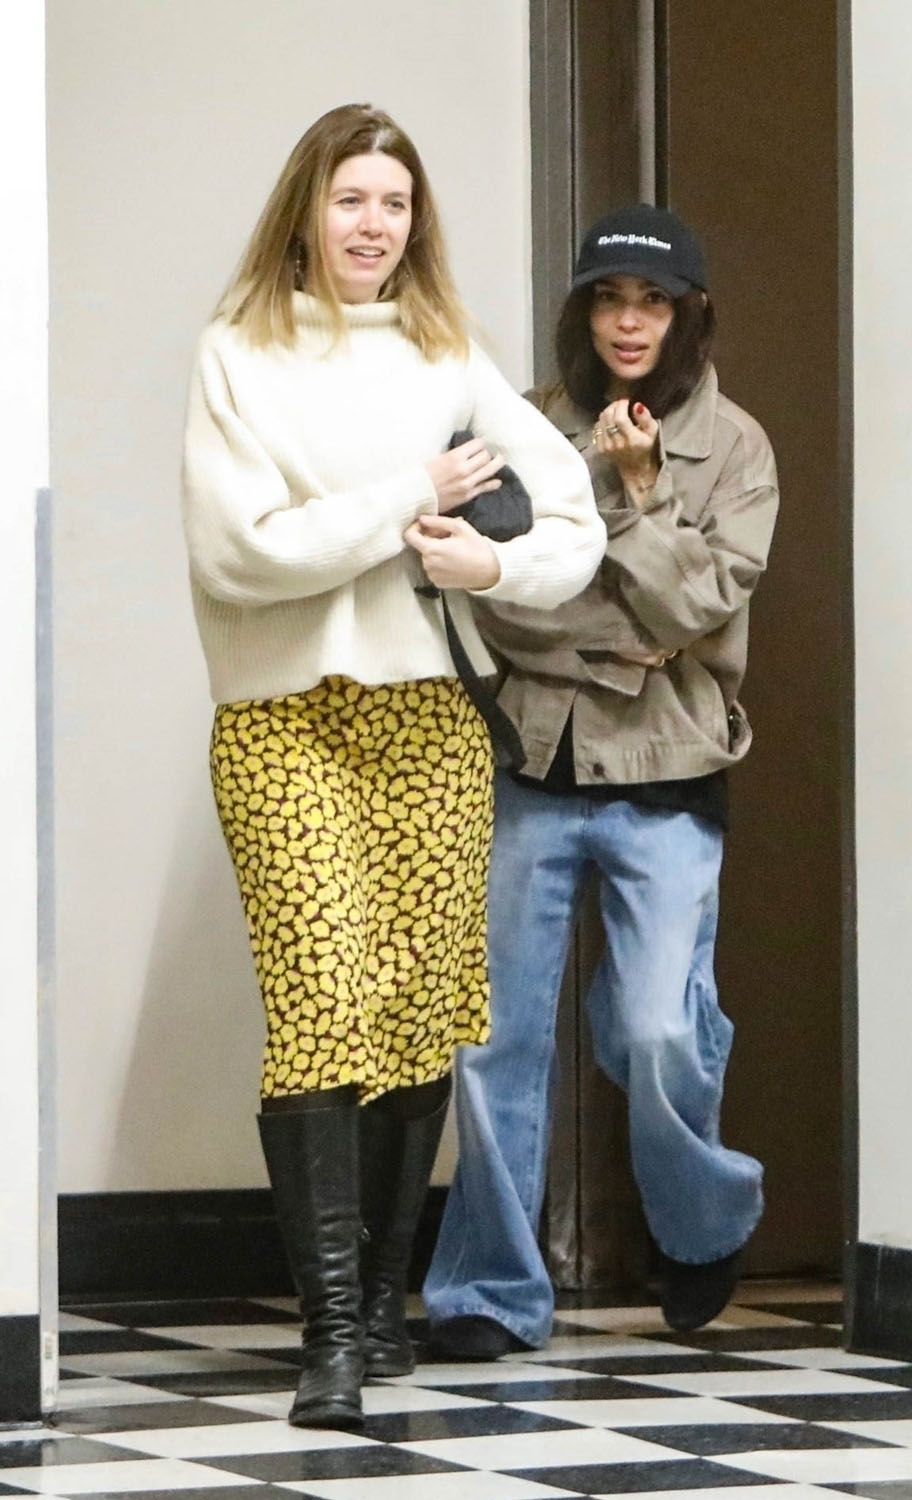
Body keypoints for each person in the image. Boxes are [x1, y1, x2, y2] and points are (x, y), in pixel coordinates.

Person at [180, 103, 604, 1430]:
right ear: (305, 210)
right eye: (352, 198)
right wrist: (410, 495)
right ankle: (328, 1336)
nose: (374, 225)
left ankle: (376, 1305)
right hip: (285, 719)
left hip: (429, 720)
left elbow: (575, 525)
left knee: (417, 1010)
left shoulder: (447, 353)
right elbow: (244, 552)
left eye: (396, 203)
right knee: (323, 1001)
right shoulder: (237, 352)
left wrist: (490, 565)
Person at [424, 202, 779, 1357]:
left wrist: (637, 498)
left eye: (653, 301)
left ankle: (700, 1219)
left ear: (689, 315)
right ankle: (489, 1290)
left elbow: (698, 606)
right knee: (493, 1041)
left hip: (672, 772)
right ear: (582, 312)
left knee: (653, 1030)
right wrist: (629, 637)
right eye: (609, 299)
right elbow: (505, 606)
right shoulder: (527, 429)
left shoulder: (737, 448)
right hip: (532, 761)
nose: (629, 322)